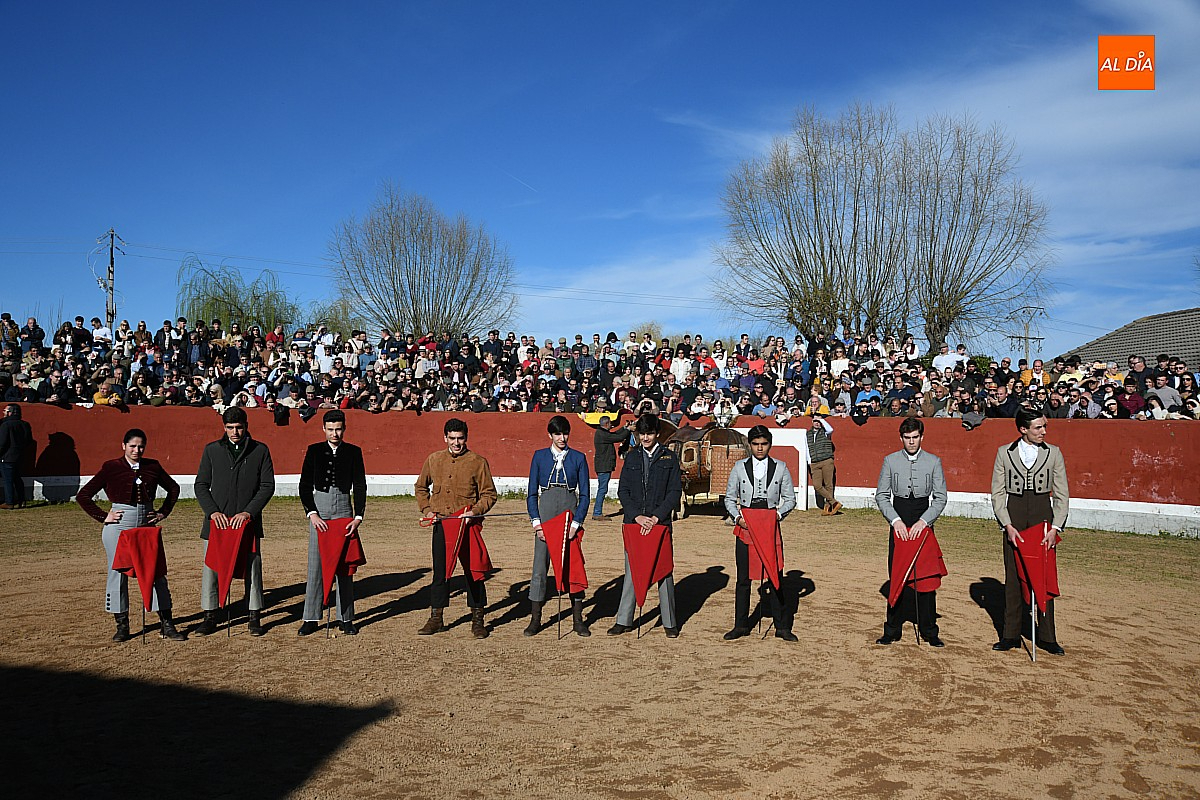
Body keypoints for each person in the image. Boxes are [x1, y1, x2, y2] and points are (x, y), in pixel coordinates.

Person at [76, 428, 186, 641]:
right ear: (123, 446)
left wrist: (163, 512)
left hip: (146, 525)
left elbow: (173, 488)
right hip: (118, 526)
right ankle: (122, 626)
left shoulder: (152, 466)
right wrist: (102, 516)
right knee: (117, 574)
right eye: (133, 446)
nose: (137, 450)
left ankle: (167, 623)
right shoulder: (111, 467)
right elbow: (84, 495)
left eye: (141, 446)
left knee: (155, 573)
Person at [991, 408, 1069, 656]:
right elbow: (998, 493)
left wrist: (1055, 527)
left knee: (1043, 576)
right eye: (1038, 427)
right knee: (1013, 577)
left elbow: (1061, 494)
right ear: (1023, 429)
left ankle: (1047, 636)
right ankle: (1011, 634)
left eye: (1044, 426)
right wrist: (1006, 524)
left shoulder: (1054, 453)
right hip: (1013, 513)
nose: (1043, 431)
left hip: (1041, 514)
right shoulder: (1004, 453)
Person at [192, 407, 276, 637]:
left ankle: (254, 615)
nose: (235, 432)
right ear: (224, 428)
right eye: (230, 428)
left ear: (246, 426)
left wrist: (248, 512)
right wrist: (212, 512)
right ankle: (210, 616)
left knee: (252, 568)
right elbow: (200, 485)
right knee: (212, 568)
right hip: (217, 523)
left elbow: (267, 486)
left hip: (246, 522)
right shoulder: (212, 450)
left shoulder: (260, 450)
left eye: (239, 427)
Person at [414, 417, 498, 638]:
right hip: (442, 523)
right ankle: (436, 617)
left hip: (466, 525)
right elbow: (421, 487)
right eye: (452, 438)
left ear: (466, 438)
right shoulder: (434, 459)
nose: (456, 443)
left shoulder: (478, 462)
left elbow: (489, 493)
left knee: (474, 573)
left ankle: (478, 619)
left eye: (460, 438)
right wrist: (427, 510)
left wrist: (475, 511)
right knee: (440, 573)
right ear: (445, 438)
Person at [874, 418, 948, 647]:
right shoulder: (890, 461)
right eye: (907, 438)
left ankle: (929, 630)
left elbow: (940, 498)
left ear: (922, 437)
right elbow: (882, 496)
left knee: (925, 576)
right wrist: (895, 520)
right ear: (901, 438)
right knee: (897, 574)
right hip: (899, 516)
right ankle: (892, 629)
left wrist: (924, 521)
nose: (911, 442)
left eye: (915, 437)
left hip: (923, 520)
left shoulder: (934, 462)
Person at [722, 425, 798, 642]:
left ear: (769, 444)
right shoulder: (739, 467)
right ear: (750, 444)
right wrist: (738, 518)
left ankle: (782, 627)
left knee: (775, 576)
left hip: (769, 524)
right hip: (746, 523)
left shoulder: (781, 467)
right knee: (743, 578)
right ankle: (740, 625)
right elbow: (729, 498)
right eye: (755, 444)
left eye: (763, 444)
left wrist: (777, 516)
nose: (759, 448)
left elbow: (790, 499)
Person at [610, 413, 682, 638]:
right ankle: (624, 619)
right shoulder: (631, 457)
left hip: (659, 524)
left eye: (649, 433)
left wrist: (656, 517)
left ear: (657, 433)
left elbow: (674, 493)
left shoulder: (669, 458)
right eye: (642, 433)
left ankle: (670, 621)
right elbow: (623, 491)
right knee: (632, 570)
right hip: (635, 523)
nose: (646, 437)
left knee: (664, 571)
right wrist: (637, 516)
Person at [297, 410, 367, 636]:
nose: (335, 433)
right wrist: (312, 513)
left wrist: (358, 516)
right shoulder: (314, 451)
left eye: (338, 429)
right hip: (321, 508)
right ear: (323, 430)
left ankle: (346, 618)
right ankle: (310, 617)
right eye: (330, 429)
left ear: (344, 429)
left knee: (344, 567)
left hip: (345, 508)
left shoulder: (354, 452)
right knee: (315, 564)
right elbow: (305, 485)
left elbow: (360, 485)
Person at [524, 415, 592, 637]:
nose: (562, 438)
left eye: (565, 433)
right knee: (539, 567)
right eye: (557, 434)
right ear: (550, 435)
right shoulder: (539, 457)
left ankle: (578, 620)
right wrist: (536, 522)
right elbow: (532, 492)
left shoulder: (579, 458)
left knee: (572, 565)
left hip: (569, 510)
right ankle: (535, 619)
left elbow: (585, 495)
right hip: (546, 512)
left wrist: (576, 522)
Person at [591, 415, 630, 520]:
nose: (611, 425)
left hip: (603, 465)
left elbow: (615, 434)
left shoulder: (601, 433)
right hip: (604, 466)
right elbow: (618, 438)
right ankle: (597, 513)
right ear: (607, 424)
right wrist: (628, 430)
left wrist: (625, 428)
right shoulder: (602, 434)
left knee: (602, 489)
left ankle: (597, 512)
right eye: (610, 423)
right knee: (602, 489)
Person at [806, 414, 841, 515]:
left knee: (828, 485)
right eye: (815, 421)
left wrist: (822, 420)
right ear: (812, 422)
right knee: (817, 485)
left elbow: (830, 429)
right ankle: (834, 503)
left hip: (826, 460)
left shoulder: (825, 432)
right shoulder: (807, 434)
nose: (817, 423)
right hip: (815, 462)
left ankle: (828, 508)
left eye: (818, 421)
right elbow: (807, 449)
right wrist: (810, 462)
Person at [0, 404, 32, 509]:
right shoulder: (25, 424)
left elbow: (2, 443)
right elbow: (29, 441)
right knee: (17, 479)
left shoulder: (6, 425)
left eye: (5, 410)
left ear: (10, 412)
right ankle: (21, 500)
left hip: (7, 456)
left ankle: (9, 502)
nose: (3, 412)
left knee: (8, 480)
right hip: (20, 456)